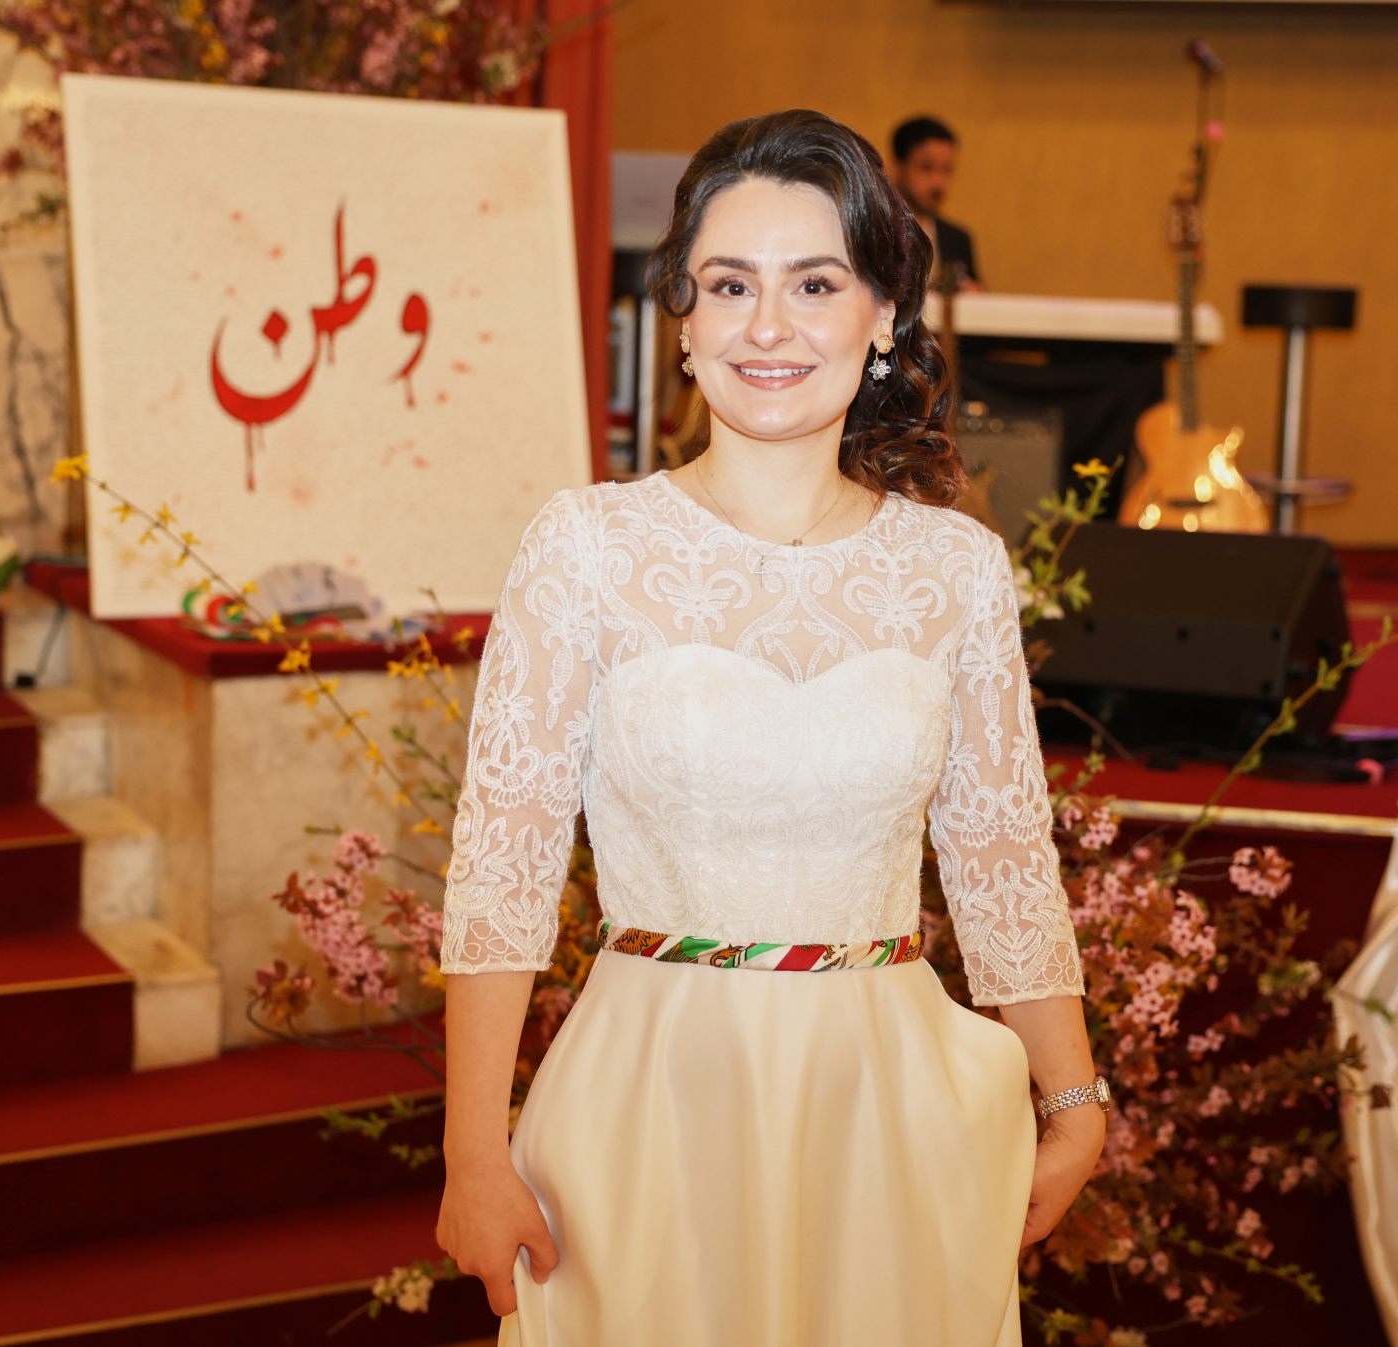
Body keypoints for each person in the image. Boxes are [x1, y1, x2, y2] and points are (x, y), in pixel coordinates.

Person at [434, 109, 1100, 1346]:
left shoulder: (955, 569)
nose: (770, 326)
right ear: (681, 318)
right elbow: (503, 867)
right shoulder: (587, 546)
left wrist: (1074, 1101)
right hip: (645, 1103)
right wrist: (472, 1150)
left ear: (883, 315)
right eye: (731, 284)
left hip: (888, 1112)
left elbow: (1002, 853)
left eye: (816, 284)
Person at [890, 114, 983, 292]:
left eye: (946, 170)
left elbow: (979, 298)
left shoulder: (957, 238)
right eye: (927, 168)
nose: (938, 183)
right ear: (898, 167)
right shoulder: (876, 230)